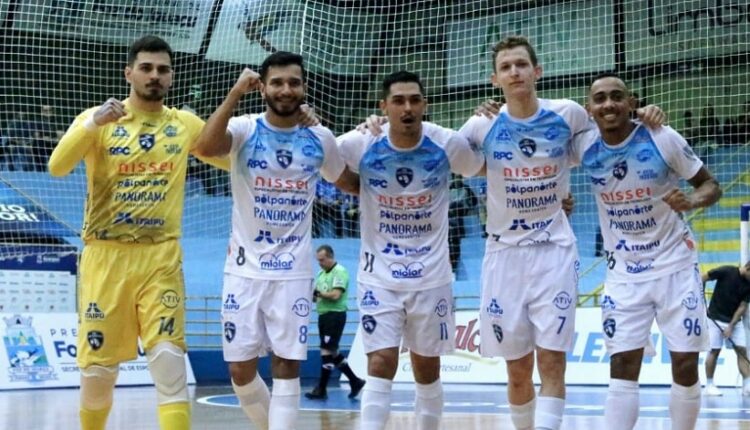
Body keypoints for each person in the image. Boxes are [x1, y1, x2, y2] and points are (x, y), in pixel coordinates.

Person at [48, 35, 231, 430]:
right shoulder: (97, 119)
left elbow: (238, 161)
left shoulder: (184, 124)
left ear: (171, 77)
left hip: (160, 257)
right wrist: (92, 124)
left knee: (168, 360)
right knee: (98, 374)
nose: (154, 76)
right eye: (146, 68)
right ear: (128, 72)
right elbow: (57, 167)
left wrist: (297, 136)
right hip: (105, 256)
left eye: (163, 69)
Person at [191, 51, 358, 430]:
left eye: (294, 82)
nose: (286, 89)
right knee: (239, 369)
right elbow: (203, 147)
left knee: (287, 365)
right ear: (262, 86)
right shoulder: (245, 128)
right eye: (278, 82)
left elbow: (347, 182)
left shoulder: (320, 138)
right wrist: (235, 92)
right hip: (243, 271)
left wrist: (373, 138)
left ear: (304, 87)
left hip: (293, 273)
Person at [570, 73, 722, 430]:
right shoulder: (582, 145)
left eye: (617, 96)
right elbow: (535, 142)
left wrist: (691, 201)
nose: (609, 104)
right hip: (624, 272)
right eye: (600, 98)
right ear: (589, 108)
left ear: (632, 102)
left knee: (685, 362)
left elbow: (711, 185)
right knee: (622, 364)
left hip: (675, 264)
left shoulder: (661, 137)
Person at [337, 71, 484, 430]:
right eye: (398, 100)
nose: (407, 107)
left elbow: (484, 166)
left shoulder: (446, 143)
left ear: (425, 105)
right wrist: (361, 188)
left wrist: (485, 118)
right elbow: (327, 164)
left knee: (427, 368)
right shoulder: (361, 141)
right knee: (381, 362)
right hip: (379, 275)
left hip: (431, 277)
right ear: (383, 106)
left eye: (414, 100)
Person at [457, 36, 591, 430]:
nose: (514, 71)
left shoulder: (569, 114)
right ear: (495, 79)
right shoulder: (482, 125)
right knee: (517, 370)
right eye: (506, 67)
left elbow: (603, 148)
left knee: (552, 361)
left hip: (554, 251)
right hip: (504, 255)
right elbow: (446, 156)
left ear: (537, 71)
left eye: (521, 64)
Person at [305, 244, 365, 400]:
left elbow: (335, 295)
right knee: (332, 352)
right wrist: (311, 294)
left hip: (335, 315)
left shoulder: (340, 272)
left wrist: (320, 294)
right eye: (318, 260)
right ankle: (355, 381)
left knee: (326, 350)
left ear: (331, 257)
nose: (320, 263)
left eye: (322, 260)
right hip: (323, 315)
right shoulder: (320, 274)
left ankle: (322, 389)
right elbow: (318, 296)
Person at [702, 261, 750, 396]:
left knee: (742, 351)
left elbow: (742, 307)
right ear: (748, 268)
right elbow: (703, 277)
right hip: (714, 317)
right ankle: (709, 385)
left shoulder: (749, 285)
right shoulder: (727, 271)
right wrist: (701, 299)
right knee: (714, 351)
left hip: (733, 321)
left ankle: (747, 386)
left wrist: (730, 326)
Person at [448, 174, 478, 273]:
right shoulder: (448, 189)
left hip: (463, 210)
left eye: (459, 177)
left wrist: (469, 207)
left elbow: (474, 201)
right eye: (456, 177)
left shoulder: (466, 189)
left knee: (457, 206)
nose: (458, 179)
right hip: (451, 213)